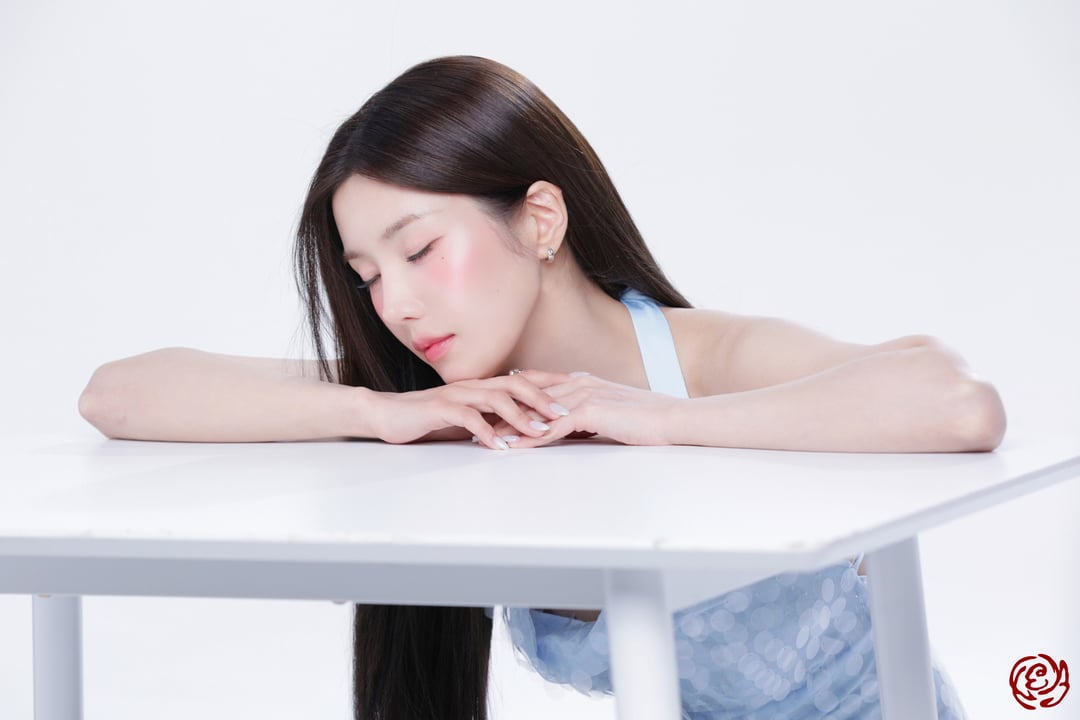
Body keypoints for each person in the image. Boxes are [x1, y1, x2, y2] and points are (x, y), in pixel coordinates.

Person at [79, 55, 1003, 720]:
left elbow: (957, 402)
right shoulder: (454, 406)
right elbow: (116, 396)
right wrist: (376, 410)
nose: (395, 305)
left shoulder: (701, 359)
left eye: (419, 250)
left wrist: (667, 420)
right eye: (367, 277)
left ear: (540, 219)